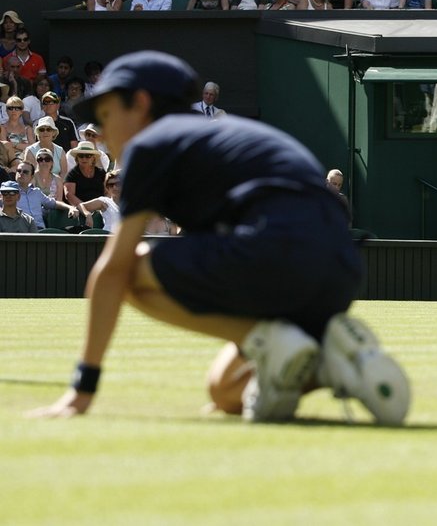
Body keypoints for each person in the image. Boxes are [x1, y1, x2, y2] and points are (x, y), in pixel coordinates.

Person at [29, 51, 410, 425]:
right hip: (340, 270)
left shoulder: (151, 143)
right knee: (225, 392)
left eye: (108, 115)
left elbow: (111, 269)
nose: (102, 133)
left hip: (278, 252)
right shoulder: (222, 141)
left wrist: (82, 389)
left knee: (129, 268)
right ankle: (335, 364)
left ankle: (275, 343)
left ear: (142, 104)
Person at [12, 158, 78, 229]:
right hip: (20, 231)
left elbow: (54, 203)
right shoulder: (8, 193)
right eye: (18, 171)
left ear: (32, 176)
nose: (21, 173)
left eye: (25, 172)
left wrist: (70, 207)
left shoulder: (36, 192)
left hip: (40, 231)